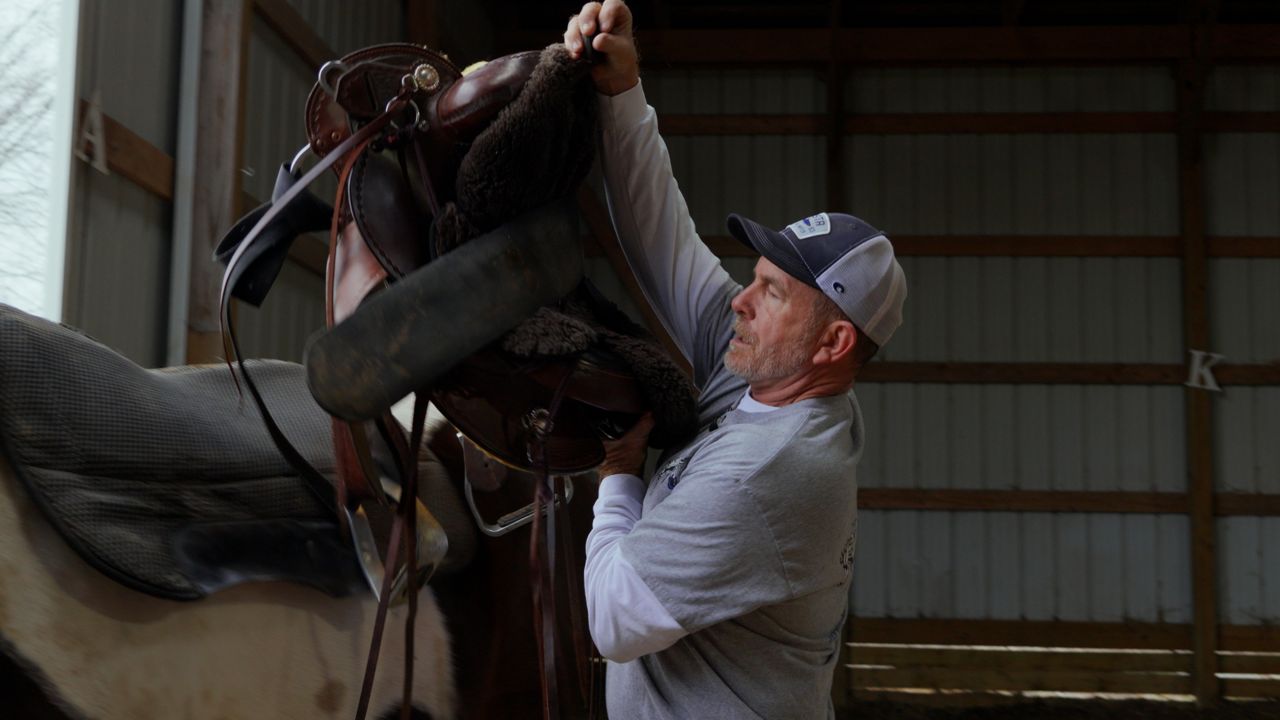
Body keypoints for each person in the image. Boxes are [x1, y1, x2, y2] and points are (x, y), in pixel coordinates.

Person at [564, 2, 907, 717]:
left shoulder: (768, 474)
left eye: (772, 292)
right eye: (752, 278)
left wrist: (620, 479)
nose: (740, 301)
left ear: (833, 343)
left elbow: (616, 618)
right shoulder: (778, 377)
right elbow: (661, 236)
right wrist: (621, 90)